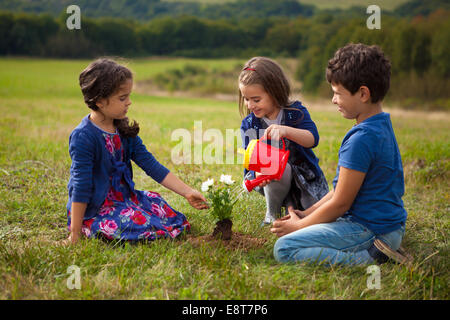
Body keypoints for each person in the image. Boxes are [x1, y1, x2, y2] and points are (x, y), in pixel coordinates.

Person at [272, 43, 409, 266]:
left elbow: (340, 204)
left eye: (337, 93)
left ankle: (370, 258)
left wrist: (298, 227)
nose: (334, 100)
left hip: (369, 230)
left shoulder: (360, 139)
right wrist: (307, 214)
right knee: (300, 234)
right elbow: (340, 191)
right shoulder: (380, 125)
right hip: (390, 228)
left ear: (363, 93)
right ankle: (384, 248)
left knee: (285, 247)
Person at [64, 58, 208, 245]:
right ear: (99, 101)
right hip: (97, 209)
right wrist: (74, 234)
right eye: (122, 98)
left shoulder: (123, 129)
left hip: (125, 201)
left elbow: (151, 165)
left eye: (128, 96)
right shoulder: (84, 136)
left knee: (158, 205)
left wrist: (188, 192)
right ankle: (90, 228)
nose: (129, 103)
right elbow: (81, 186)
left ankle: (141, 220)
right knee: (137, 223)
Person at [239, 57, 329, 225]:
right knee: (274, 166)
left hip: (304, 176)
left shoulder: (295, 112)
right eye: (246, 99)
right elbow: (250, 159)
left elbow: (312, 139)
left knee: (314, 216)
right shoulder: (249, 124)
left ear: (274, 92)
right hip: (272, 179)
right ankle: (272, 214)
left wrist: (286, 131)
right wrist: (259, 174)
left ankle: (294, 206)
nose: (250, 105)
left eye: (256, 100)